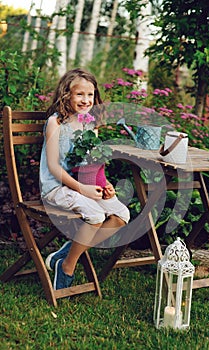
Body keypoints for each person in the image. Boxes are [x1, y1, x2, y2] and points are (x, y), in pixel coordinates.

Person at [40, 68, 130, 290]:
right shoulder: (56, 123)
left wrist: (104, 185)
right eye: (79, 94)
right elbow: (53, 167)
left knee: (121, 215)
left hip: (83, 186)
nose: (86, 100)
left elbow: (92, 165)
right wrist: (82, 189)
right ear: (66, 94)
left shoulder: (90, 125)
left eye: (90, 95)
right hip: (56, 187)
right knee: (96, 214)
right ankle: (67, 266)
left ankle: (68, 253)